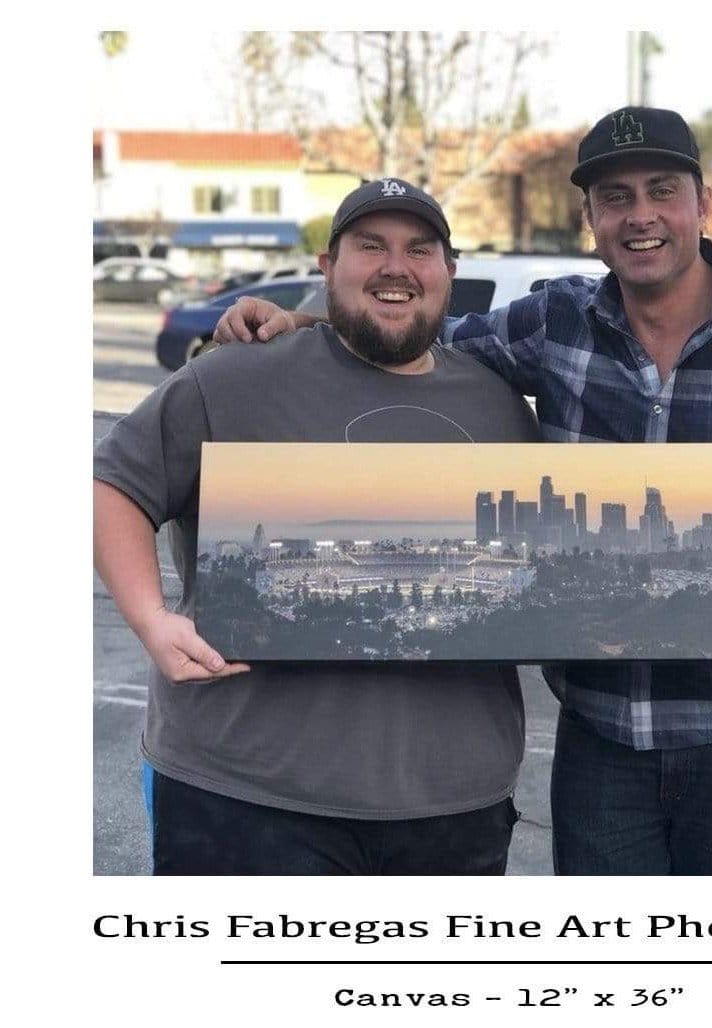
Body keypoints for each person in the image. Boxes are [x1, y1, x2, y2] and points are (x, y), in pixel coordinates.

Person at [213, 107, 712, 875]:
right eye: (615, 197)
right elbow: (412, 324)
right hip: (599, 740)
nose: (640, 215)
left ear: (702, 204)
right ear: (590, 218)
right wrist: (303, 317)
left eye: (661, 191)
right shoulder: (554, 324)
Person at [94, 178, 542, 875]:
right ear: (328, 266)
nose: (396, 266)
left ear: (449, 273)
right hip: (242, 794)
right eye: (371, 246)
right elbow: (115, 483)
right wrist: (150, 619)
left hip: (454, 805)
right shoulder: (233, 379)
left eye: (419, 249)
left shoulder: (502, 406)